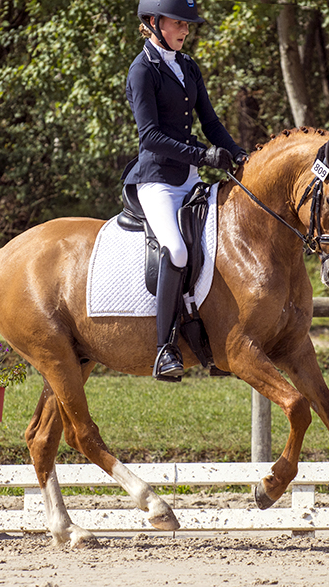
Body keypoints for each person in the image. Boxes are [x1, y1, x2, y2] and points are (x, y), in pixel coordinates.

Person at [122, 0, 247, 381]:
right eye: (180, 23)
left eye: (188, 25)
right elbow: (152, 138)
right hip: (157, 181)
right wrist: (204, 156)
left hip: (191, 179)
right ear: (155, 23)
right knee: (176, 250)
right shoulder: (143, 70)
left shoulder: (187, 66)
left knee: (221, 244)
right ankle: (164, 348)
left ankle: (212, 342)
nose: (186, 30)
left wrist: (241, 156)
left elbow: (210, 120)